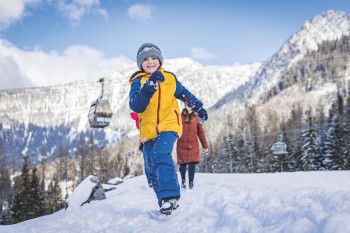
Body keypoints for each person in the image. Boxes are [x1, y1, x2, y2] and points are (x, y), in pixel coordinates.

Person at [129, 43, 208, 215]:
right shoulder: (138, 82)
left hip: (169, 125)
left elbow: (185, 94)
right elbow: (136, 106)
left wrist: (198, 107)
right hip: (149, 131)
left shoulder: (170, 78)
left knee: (160, 154)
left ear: (160, 61)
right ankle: (164, 201)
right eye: (145, 59)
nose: (150, 62)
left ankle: (170, 196)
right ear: (140, 63)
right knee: (152, 165)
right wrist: (148, 88)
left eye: (154, 58)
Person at [177, 106, 209, 189]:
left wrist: (205, 146)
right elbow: (175, 129)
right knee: (182, 164)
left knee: (192, 165)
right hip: (181, 145)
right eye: (187, 106)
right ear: (184, 106)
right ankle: (183, 181)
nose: (189, 108)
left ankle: (191, 182)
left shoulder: (196, 118)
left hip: (193, 145)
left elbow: (201, 134)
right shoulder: (180, 117)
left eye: (190, 106)